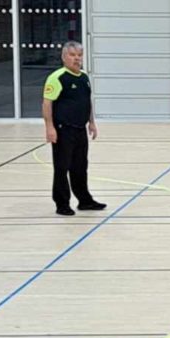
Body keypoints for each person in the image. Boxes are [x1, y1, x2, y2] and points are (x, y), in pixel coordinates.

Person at [41, 41, 106, 217]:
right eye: (72, 55)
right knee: (62, 167)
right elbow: (47, 104)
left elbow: (87, 101)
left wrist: (91, 122)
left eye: (79, 55)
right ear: (64, 57)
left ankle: (85, 200)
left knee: (80, 167)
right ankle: (62, 204)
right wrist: (50, 128)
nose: (77, 58)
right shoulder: (57, 77)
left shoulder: (84, 77)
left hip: (80, 129)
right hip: (63, 130)